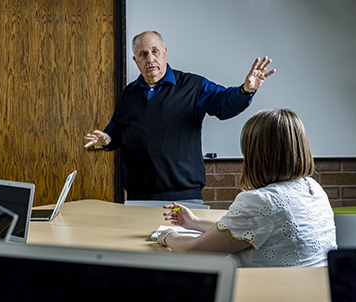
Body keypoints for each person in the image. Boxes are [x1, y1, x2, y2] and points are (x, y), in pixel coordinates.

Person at [84, 31, 276, 203]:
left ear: (165, 52)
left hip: (184, 197)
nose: (150, 59)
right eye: (143, 54)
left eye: (155, 51)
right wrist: (107, 139)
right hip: (137, 197)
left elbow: (223, 103)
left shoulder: (193, 86)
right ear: (136, 60)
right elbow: (116, 131)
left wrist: (246, 90)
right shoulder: (128, 94)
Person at [157, 109, 337, 267]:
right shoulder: (313, 187)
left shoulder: (262, 201)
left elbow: (194, 250)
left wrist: (169, 236)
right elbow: (245, 232)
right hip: (317, 294)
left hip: (265, 295)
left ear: (256, 155)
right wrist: (194, 223)